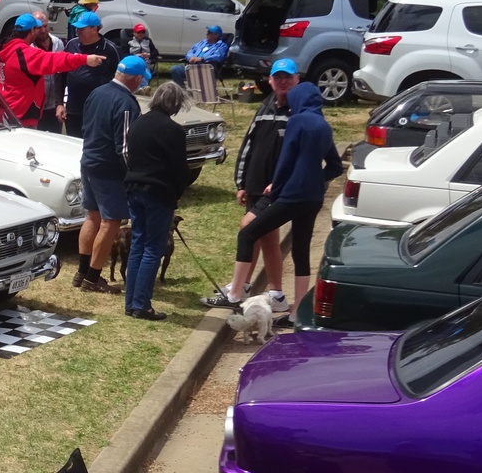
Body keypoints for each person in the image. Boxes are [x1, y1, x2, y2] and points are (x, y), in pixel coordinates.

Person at [202, 80, 342, 314]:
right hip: (313, 198)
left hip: (291, 194)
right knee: (301, 251)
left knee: (248, 233)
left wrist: (275, 188)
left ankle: (235, 294)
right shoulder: (324, 126)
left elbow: (286, 160)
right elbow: (335, 166)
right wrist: (317, 178)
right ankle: (297, 311)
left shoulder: (297, 121)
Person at [216, 58, 298, 316]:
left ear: (297, 79)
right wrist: (242, 183)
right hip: (254, 185)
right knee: (267, 238)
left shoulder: (298, 111)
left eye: (288, 77)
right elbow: (249, 145)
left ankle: (239, 290)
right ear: (270, 80)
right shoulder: (264, 107)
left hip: (276, 189)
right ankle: (272, 293)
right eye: (278, 77)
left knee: (249, 228)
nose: (283, 82)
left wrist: (282, 182)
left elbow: (299, 154)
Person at [73, 55, 146, 294]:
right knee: (111, 221)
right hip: (109, 169)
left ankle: (82, 272)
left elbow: (85, 126)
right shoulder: (126, 103)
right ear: (136, 79)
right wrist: (132, 173)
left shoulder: (97, 93)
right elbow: (124, 147)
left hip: (89, 160)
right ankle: (93, 278)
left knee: (92, 216)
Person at [122, 81, 194, 321]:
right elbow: (180, 168)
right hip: (158, 192)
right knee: (153, 248)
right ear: (175, 105)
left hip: (134, 187)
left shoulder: (138, 123)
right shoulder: (173, 130)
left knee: (138, 244)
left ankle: (131, 303)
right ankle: (141, 304)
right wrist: (178, 191)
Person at [0, 13, 102, 128]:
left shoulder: (4, 49)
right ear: (32, 31)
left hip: (5, 112)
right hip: (22, 117)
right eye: (37, 28)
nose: (41, 31)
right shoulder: (25, 54)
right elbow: (55, 60)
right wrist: (85, 59)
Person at [56, 11, 121, 138]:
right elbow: (60, 75)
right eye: (77, 28)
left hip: (98, 111)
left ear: (94, 29)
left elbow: (119, 80)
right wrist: (59, 104)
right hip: (73, 110)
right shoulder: (71, 44)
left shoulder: (109, 49)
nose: (77, 31)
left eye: (81, 28)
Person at [31, 10, 68, 133]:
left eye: (45, 26)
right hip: (36, 107)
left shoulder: (58, 43)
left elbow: (61, 74)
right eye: (39, 27)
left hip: (54, 105)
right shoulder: (30, 48)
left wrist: (60, 102)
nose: (43, 30)